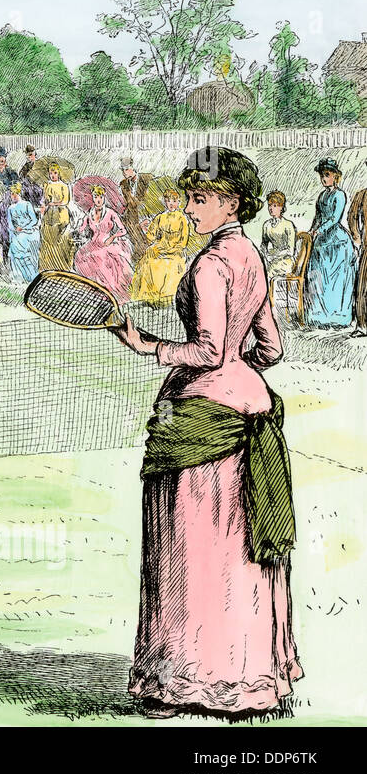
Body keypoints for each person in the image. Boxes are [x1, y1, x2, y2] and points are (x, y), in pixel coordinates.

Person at [114, 146, 300, 719]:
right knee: (240, 552)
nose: (189, 209)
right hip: (250, 411)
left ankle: (181, 683)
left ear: (231, 202)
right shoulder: (251, 258)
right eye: (190, 197)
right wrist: (235, 369)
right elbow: (269, 349)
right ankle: (250, 684)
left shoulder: (211, 265)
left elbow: (210, 350)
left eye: (199, 199)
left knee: (189, 550)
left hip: (200, 422)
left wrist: (149, 345)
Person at [304, 157, 355, 329]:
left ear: (335, 176)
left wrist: (321, 229)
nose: (324, 179)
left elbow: (335, 218)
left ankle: (338, 316)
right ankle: (319, 315)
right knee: (318, 274)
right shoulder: (321, 195)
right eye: (322, 175)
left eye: (327, 175)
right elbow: (318, 217)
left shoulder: (339, 195)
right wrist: (312, 230)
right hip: (321, 241)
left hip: (337, 241)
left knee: (336, 278)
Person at [130, 188, 190, 305]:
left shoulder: (182, 218)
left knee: (168, 266)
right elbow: (151, 236)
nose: (171, 204)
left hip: (174, 250)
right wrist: (144, 229)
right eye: (168, 201)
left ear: (178, 202)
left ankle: (165, 299)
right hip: (160, 247)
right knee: (149, 260)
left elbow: (183, 240)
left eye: (174, 200)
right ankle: (148, 297)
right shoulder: (160, 217)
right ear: (165, 202)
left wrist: (173, 249)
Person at [74, 184, 134, 303]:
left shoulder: (110, 213)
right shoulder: (89, 215)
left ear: (104, 198)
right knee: (81, 256)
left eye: (101, 197)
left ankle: (109, 293)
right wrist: (77, 232)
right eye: (96, 197)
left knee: (101, 259)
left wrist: (112, 237)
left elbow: (123, 230)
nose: (98, 200)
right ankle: (95, 292)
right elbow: (81, 229)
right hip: (94, 244)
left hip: (108, 245)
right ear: (93, 198)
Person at [39, 164, 75, 272]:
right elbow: (44, 200)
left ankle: (62, 266)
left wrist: (54, 203)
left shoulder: (63, 186)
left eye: (55, 173)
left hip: (61, 214)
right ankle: (48, 265)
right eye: (51, 173)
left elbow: (65, 201)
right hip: (49, 214)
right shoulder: (47, 185)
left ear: (58, 173)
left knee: (60, 239)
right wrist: (44, 205)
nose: (53, 175)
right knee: (48, 239)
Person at [119, 156, 153, 264]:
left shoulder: (147, 179)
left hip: (145, 214)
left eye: (127, 169)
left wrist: (147, 218)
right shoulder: (123, 184)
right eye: (122, 170)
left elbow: (152, 202)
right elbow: (126, 204)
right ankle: (137, 259)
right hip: (131, 217)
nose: (124, 173)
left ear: (134, 167)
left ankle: (140, 259)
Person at [6, 183, 40, 283]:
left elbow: (33, 220)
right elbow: (10, 224)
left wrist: (23, 227)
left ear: (19, 193)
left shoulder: (27, 204)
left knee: (23, 246)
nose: (13, 196)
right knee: (15, 247)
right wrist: (15, 229)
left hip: (29, 232)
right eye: (12, 194)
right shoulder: (10, 208)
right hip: (17, 233)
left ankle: (31, 276)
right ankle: (18, 276)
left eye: (15, 193)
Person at [259, 191, 297, 278]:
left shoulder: (288, 224)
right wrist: (266, 255)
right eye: (270, 205)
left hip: (285, 261)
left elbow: (290, 251)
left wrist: (274, 256)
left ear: (281, 207)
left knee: (267, 274)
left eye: (275, 206)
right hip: (271, 259)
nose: (271, 208)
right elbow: (263, 244)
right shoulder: (266, 225)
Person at [348, 186, 367, 337]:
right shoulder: (362, 194)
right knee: (362, 287)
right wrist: (357, 238)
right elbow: (352, 216)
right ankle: (362, 325)